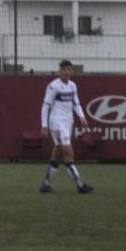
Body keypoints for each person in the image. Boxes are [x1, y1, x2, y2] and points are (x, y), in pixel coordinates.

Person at [38, 60, 93, 194]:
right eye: (66, 69)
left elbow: (76, 103)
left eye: (70, 69)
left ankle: (45, 185)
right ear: (60, 71)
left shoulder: (73, 86)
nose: (68, 72)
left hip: (68, 122)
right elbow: (46, 105)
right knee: (68, 152)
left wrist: (82, 116)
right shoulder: (53, 86)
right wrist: (44, 126)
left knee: (57, 154)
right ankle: (80, 185)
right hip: (56, 123)